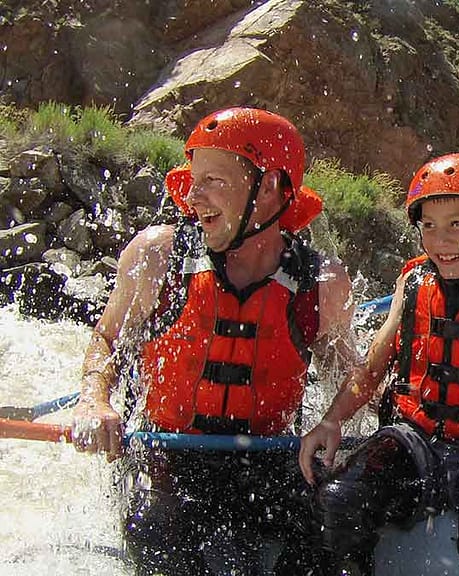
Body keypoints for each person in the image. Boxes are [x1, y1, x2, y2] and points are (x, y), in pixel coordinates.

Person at [70, 107, 357, 576]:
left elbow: (352, 375)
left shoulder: (321, 281)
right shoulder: (157, 255)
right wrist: (93, 401)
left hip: (267, 462)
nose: (192, 195)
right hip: (168, 458)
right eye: (193, 178)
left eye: (212, 181)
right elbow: (107, 339)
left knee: (329, 547)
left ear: (268, 187)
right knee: (165, 542)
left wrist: (333, 421)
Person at [298, 152, 459, 574]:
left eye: (458, 224)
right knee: (337, 500)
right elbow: (370, 370)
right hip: (411, 444)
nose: (440, 241)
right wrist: (331, 421)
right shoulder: (414, 281)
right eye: (429, 226)